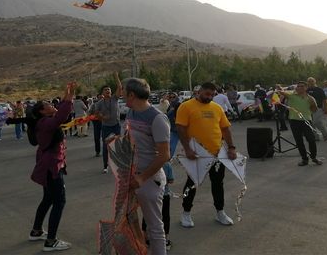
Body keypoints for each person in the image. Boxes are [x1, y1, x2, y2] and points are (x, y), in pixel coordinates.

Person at [176, 82, 237, 228]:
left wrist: (231, 147)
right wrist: (187, 149)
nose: (209, 97)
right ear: (199, 91)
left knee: (218, 184)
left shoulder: (217, 108)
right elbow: (180, 129)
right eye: (207, 94)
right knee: (192, 184)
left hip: (217, 154)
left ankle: (220, 212)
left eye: (212, 95)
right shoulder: (186, 106)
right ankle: (185, 213)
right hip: (196, 155)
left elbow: (226, 129)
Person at [123, 78, 171, 254]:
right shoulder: (130, 113)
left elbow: (165, 155)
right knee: (129, 222)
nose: (121, 95)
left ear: (132, 94)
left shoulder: (157, 118)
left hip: (148, 179)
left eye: (124, 93)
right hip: (130, 177)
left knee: (154, 228)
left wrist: (142, 178)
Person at [29, 82, 77, 251]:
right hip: (51, 167)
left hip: (49, 164)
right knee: (59, 201)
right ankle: (51, 241)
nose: (53, 105)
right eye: (49, 105)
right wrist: (69, 98)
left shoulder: (44, 121)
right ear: (42, 111)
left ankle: (36, 231)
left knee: (48, 199)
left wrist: (68, 93)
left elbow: (60, 110)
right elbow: (61, 116)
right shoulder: (46, 123)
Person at [279, 82, 322, 166]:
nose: (299, 88)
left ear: (306, 88)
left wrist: (309, 109)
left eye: (301, 86)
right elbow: (281, 92)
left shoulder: (310, 98)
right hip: (294, 121)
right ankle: (304, 159)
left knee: (311, 139)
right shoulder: (291, 96)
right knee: (299, 141)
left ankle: (314, 157)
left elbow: (314, 109)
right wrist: (280, 88)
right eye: (298, 86)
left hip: (306, 121)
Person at [90, 73, 123, 174]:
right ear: (102, 93)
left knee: (118, 145)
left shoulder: (115, 98)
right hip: (106, 127)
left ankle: (120, 165)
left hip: (116, 125)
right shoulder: (99, 103)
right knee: (106, 146)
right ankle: (105, 166)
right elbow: (95, 115)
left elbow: (120, 87)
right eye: (105, 90)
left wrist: (116, 77)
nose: (108, 91)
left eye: (109, 89)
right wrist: (103, 117)